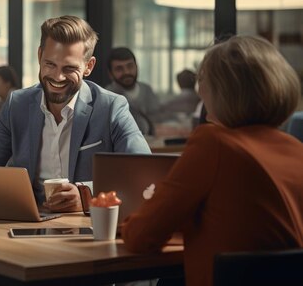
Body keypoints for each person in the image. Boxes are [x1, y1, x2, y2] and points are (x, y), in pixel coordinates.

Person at [122, 35, 303, 286]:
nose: (200, 92)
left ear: (220, 91)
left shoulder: (213, 143)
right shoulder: (296, 150)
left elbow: (141, 237)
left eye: (202, 82)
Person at [0, 15, 150, 212]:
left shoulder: (111, 107)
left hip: (87, 225)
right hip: (30, 222)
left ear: (88, 67)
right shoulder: (17, 104)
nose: (57, 77)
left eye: (69, 68)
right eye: (50, 64)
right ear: (40, 56)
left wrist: (86, 194)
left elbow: (143, 173)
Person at [106, 47, 160, 135]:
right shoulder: (107, 96)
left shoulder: (146, 89)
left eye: (130, 66)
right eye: (119, 69)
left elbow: (158, 117)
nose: (126, 72)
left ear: (136, 67)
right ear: (110, 74)